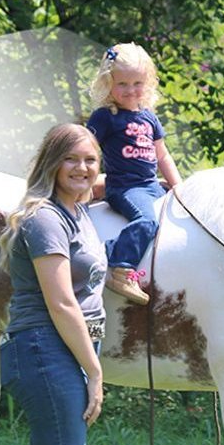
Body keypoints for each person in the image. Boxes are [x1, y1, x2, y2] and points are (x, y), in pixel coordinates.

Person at [0, 122, 115, 445]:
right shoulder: (45, 218)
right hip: (45, 349)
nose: (83, 169)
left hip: (57, 349)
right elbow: (62, 302)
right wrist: (94, 369)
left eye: (90, 160)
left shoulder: (77, 213)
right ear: (52, 163)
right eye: (72, 160)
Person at [86, 42, 182, 305]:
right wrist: (87, 182)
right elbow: (86, 150)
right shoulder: (105, 117)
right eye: (123, 84)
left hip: (151, 185)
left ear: (148, 83)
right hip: (125, 187)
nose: (130, 91)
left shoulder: (149, 117)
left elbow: (162, 156)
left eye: (137, 83)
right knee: (147, 221)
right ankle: (119, 264)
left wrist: (178, 187)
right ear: (109, 84)